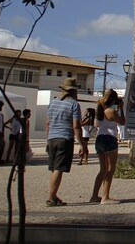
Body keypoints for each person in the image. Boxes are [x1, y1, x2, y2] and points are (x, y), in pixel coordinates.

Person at [45, 77, 81, 207]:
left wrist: (48, 139)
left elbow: (47, 123)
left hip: (52, 138)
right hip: (65, 138)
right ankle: (51, 197)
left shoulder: (53, 102)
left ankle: (53, 194)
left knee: (54, 168)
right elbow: (76, 126)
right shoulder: (74, 104)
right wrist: (81, 144)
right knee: (59, 169)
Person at [90, 89, 125, 204]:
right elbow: (122, 121)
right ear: (113, 99)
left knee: (103, 169)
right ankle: (105, 197)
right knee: (111, 169)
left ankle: (94, 195)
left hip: (100, 138)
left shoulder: (99, 110)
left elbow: (96, 124)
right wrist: (121, 108)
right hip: (110, 139)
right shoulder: (111, 111)